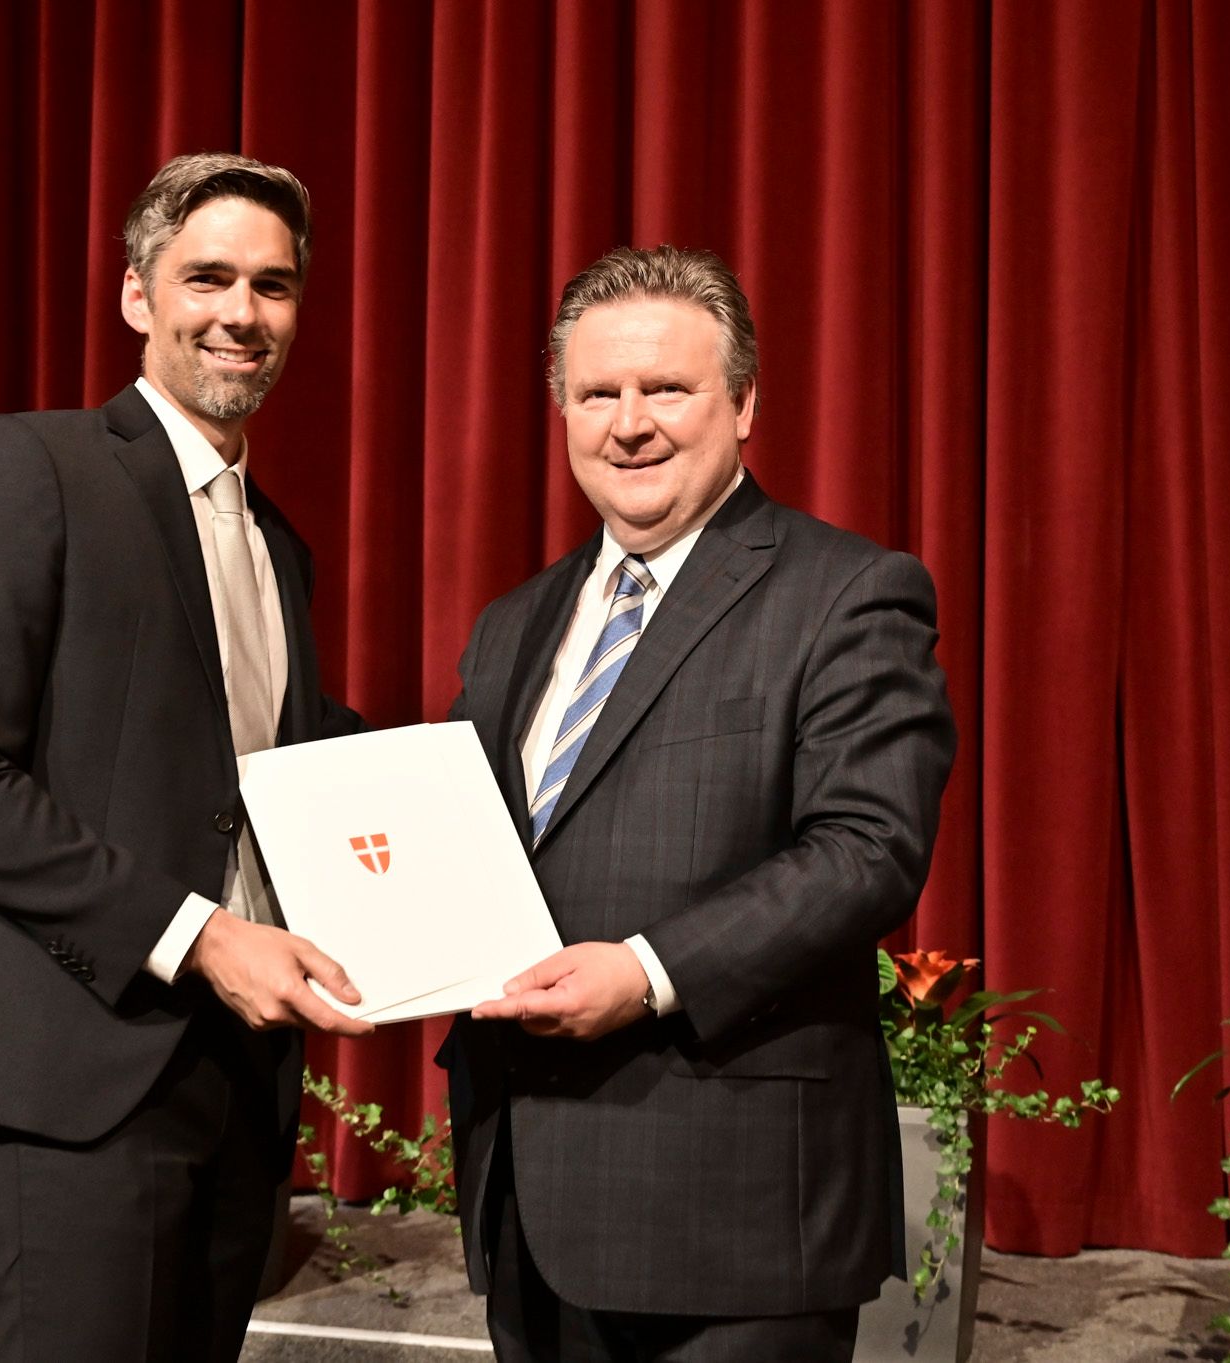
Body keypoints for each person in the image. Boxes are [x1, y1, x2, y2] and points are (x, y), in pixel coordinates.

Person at [0, 151, 371, 1363]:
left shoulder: (277, 543)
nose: (240, 312)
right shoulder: (29, 464)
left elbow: (273, 766)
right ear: (135, 295)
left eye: (271, 285)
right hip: (68, 1070)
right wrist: (202, 936)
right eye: (206, 277)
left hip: (236, 1076)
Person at [443, 245, 956, 1362]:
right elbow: (463, 843)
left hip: (736, 1215)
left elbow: (867, 848)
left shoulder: (847, 592)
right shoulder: (513, 621)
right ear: (563, 412)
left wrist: (644, 970)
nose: (629, 424)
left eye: (665, 388)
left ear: (744, 403)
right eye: (597, 394)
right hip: (528, 1201)